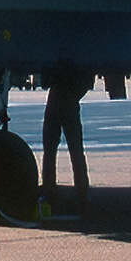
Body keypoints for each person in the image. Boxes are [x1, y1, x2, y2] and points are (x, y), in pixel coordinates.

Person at [40, 66, 95, 209]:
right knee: (76, 150)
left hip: (56, 100)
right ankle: (82, 191)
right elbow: (87, 81)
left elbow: (44, 83)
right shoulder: (78, 64)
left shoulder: (54, 62)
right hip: (69, 100)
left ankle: (49, 190)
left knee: (50, 150)